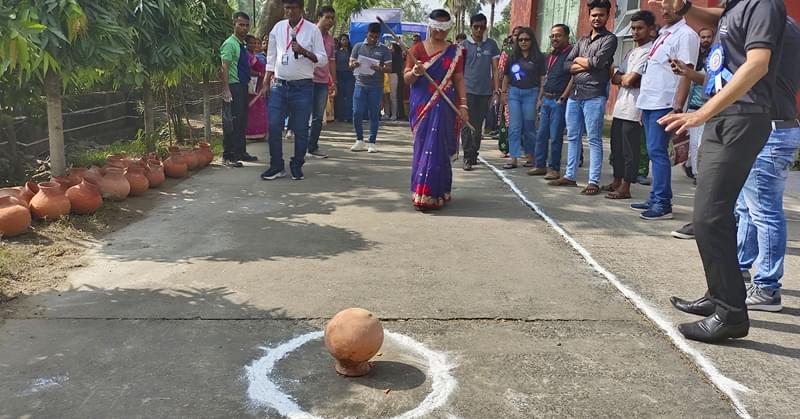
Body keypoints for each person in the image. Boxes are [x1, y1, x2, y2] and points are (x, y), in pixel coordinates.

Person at [657, 0, 786, 343]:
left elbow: (757, 64)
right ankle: (718, 296)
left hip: (742, 117)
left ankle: (731, 315)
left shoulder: (763, 4)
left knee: (710, 217)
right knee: (711, 217)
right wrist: (685, 7)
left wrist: (701, 113)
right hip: (723, 118)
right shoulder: (734, 7)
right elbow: (712, 16)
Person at [735, 18, 800, 313]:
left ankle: (767, 288)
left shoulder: (772, 21)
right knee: (747, 208)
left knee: (764, 211)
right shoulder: (776, 21)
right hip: (764, 129)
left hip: (772, 131)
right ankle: (741, 270)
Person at [631, 2, 699, 220]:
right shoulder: (664, 34)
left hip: (665, 103)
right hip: (650, 102)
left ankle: (662, 203)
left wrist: (677, 107)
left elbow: (686, 73)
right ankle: (655, 197)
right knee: (654, 151)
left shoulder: (685, 35)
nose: (665, 11)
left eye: (671, 6)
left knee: (658, 152)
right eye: (663, 7)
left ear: (682, 7)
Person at [548, 0, 617, 195]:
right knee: (572, 136)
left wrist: (580, 62)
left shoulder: (610, 39)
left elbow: (598, 62)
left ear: (607, 16)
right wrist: (585, 63)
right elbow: (566, 65)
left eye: (601, 15)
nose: (597, 18)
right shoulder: (582, 40)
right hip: (575, 94)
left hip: (594, 94)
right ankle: (570, 176)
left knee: (593, 138)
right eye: (594, 15)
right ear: (589, 16)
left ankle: (593, 181)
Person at [405, 9, 469, 211]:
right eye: (437, 26)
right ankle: (422, 192)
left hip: (445, 104)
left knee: (439, 145)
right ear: (430, 26)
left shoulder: (456, 52)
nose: (440, 31)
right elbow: (407, 78)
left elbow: (458, 78)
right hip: (422, 104)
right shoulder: (416, 49)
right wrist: (415, 71)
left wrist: (463, 105)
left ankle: (438, 192)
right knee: (423, 145)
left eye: (444, 27)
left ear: (449, 28)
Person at [259, 0, 327, 181]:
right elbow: (271, 57)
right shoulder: (278, 28)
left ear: (301, 9)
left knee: (301, 129)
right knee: (274, 125)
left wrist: (305, 52)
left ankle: (297, 165)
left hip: (303, 87)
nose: (290, 11)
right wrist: (266, 81)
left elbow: (323, 59)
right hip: (279, 86)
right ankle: (276, 166)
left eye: (293, 8)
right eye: (287, 8)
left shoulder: (312, 30)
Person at [669, 27, 715, 240]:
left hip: (715, 111)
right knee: (696, 151)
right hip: (695, 108)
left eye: (708, 37)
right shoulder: (698, 57)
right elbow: (694, 81)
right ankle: (696, 176)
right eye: (702, 37)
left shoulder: (718, 55)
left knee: (703, 153)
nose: (705, 40)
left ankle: (707, 221)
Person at [604, 11, 654, 200]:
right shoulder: (632, 52)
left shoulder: (650, 51)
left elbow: (630, 80)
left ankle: (626, 187)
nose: (635, 32)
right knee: (616, 148)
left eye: (639, 28)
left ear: (650, 29)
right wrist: (625, 78)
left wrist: (626, 78)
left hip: (635, 109)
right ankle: (616, 181)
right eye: (633, 28)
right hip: (620, 107)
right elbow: (616, 78)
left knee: (629, 150)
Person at [529, 23, 573, 180]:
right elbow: (545, 78)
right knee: (541, 135)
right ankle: (540, 165)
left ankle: (554, 168)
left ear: (566, 37)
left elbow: (573, 78)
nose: (555, 38)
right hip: (546, 99)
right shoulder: (551, 55)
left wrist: (564, 97)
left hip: (558, 100)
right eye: (552, 36)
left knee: (555, 136)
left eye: (558, 35)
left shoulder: (571, 54)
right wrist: (540, 98)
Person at [461, 13, 501, 171]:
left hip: (484, 92)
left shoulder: (491, 44)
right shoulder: (463, 45)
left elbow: (495, 69)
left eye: (482, 27)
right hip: (467, 90)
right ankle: (467, 156)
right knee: (466, 124)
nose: (479, 30)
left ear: (485, 28)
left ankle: (473, 153)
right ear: (470, 27)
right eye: (476, 27)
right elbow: (458, 71)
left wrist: (496, 90)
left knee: (478, 126)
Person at [500, 27, 545, 170]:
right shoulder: (512, 57)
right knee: (514, 127)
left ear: (532, 40)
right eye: (520, 40)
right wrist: (503, 94)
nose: (523, 42)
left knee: (529, 127)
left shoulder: (538, 58)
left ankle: (530, 156)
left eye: (526, 39)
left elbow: (542, 79)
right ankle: (513, 158)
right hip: (514, 94)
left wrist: (540, 97)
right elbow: (506, 77)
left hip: (532, 93)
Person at [220, 12, 259, 168]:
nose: (244, 28)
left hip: (242, 86)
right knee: (232, 121)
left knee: (242, 121)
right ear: (234, 24)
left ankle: (240, 152)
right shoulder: (229, 44)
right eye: (241, 24)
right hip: (233, 86)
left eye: (246, 25)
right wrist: (226, 89)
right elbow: (224, 67)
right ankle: (228, 156)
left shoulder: (241, 44)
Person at [349, 23, 392, 153]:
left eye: (376, 37)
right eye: (371, 36)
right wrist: (354, 64)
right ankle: (359, 139)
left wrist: (380, 68)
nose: (373, 39)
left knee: (374, 114)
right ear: (367, 34)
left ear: (379, 36)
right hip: (360, 84)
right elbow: (350, 63)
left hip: (376, 86)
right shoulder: (358, 46)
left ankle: (372, 142)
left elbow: (389, 68)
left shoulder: (384, 49)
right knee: (357, 112)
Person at [307, 6, 337, 159]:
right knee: (303, 114)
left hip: (322, 82)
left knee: (318, 116)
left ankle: (312, 147)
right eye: (327, 17)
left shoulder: (331, 40)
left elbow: (331, 62)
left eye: (332, 18)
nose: (330, 21)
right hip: (306, 79)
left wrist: (334, 81)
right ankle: (301, 147)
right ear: (319, 18)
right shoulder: (309, 33)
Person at [496, 28, 524, 158]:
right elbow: (501, 71)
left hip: (526, 90)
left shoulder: (529, 52)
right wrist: (501, 90)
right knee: (508, 120)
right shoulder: (507, 51)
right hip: (509, 90)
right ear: (511, 36)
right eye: (515, 35)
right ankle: (506, 148)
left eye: (520, 35)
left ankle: (523, 148)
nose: (518, 38)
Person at [245, 35, 268, 141]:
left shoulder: (254, 55)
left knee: (260, 109)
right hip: (251, 86)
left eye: (255, 43)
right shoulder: (247, 55)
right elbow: (247, 70)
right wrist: (259, 74)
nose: (254, 45)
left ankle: (260, 133)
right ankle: (250, 133)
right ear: (246, 44)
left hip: (259, 86)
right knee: (252, 110)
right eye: (251, 43)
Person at [334, 34, 354, 122]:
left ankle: (349, 116)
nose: (344, 41)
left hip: (349, 75)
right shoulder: (337, 52)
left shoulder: (351, 51)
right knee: (340, 96)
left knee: (349, 96)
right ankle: (340, 116)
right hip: (339, 74)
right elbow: (334, 64)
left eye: (346, 39)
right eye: (342, 39)